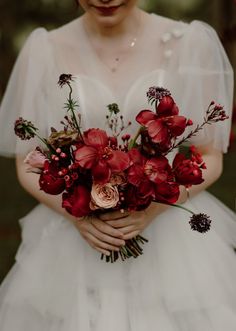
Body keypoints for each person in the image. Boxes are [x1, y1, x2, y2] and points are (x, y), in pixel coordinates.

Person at [0, 0, 235, 330]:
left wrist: (150, 211)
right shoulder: (43, 49)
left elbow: (210, 158)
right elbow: (28, 162)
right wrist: (79, 217)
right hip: (73, 240)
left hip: (167, 239)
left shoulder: (190, 43)